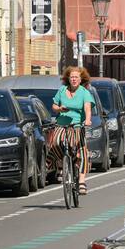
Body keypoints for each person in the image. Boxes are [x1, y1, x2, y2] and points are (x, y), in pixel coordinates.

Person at [49, 66, 94, 194]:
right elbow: (54, 105)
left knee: (82, 150)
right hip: (62, 124)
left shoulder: (85, 92)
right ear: (68, 79)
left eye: (76, 77)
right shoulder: (62, 90)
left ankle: (81, 181)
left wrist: (88, 120)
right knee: (56, 142)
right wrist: (59, 109)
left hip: (77, 125)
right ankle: (61, 164)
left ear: (81, 80)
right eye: (72, 77)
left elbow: (87, 108)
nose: (74, 79)